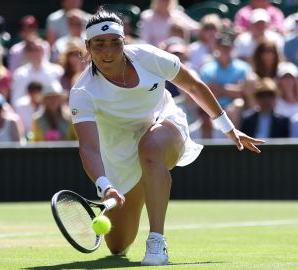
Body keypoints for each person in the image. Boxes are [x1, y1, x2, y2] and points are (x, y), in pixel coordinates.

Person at [69, 9, 264, 266]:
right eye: (100, 44)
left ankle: (157, 242)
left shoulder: (149, 57)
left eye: (115, 43)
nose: (108, 52)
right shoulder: (82, 91)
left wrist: (228, 127)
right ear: (88, 46)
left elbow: (194, 86)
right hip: (120, 151)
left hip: (164, 124)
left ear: (124, 42)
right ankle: (140, 185)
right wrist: (106, 186)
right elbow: (90, 148)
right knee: (117, 246)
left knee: (150, 149)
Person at [11, 38, 63, 107]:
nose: (35, 53)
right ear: (28, 53)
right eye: (32, 50)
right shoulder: (20, 74)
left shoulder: (57, 71)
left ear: (43, 51)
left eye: (38, 50)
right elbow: (16, 100)